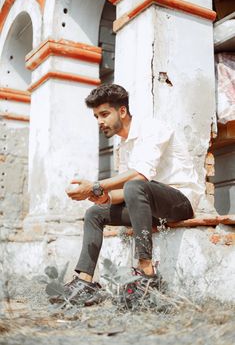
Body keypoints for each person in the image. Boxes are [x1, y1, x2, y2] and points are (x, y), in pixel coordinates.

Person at [62, 84, 203, 305]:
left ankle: (147, 275)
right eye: (96, 116)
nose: (99, 121)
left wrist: (96, 186)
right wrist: (104, 198)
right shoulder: (125, 145)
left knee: (134, 185)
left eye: (104, 114)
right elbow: (127, 192)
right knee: (94, 213)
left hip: (180, 202)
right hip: (149, 208)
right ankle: (85, 282)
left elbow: (140, 178)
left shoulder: (152, 128)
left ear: (122, 111)